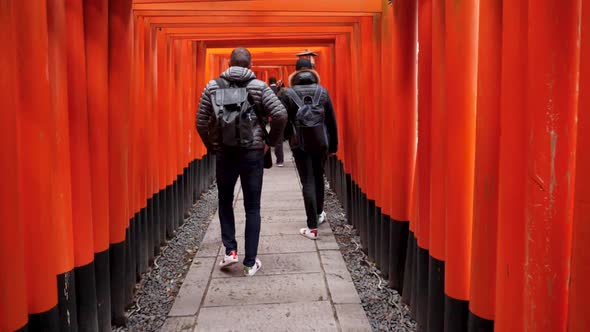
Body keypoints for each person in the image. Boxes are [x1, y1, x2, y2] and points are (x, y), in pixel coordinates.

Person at [197, 48, 287, 276]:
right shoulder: (259, 86)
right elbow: (280, 114)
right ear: (250, 64)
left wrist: (213, 146)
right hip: (252, 153)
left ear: (229, 63)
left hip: (225, 154)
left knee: (225, 201)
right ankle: (250, 262)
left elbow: (200, 121)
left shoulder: (213, 86)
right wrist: (270, 141)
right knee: (252, 207)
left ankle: (230, 251)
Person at [279, 58, 338, 240]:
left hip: (300, 143)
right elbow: (331, 121)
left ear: (294, 74)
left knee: (308, 180)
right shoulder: (323, 92)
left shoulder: (287, 94)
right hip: (321, 142)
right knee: (319, 176)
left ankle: (312, 226)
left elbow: (283, 120)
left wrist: (287, 137)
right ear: (313, 72)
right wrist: (333, 145)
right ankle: (319, 213)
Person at [268, 77, 285, 167]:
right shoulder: (281, 91)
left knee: (274, 134)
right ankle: (280, 160)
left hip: (272, 116)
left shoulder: (267, 90)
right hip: (281, 116)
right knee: (279, 137)